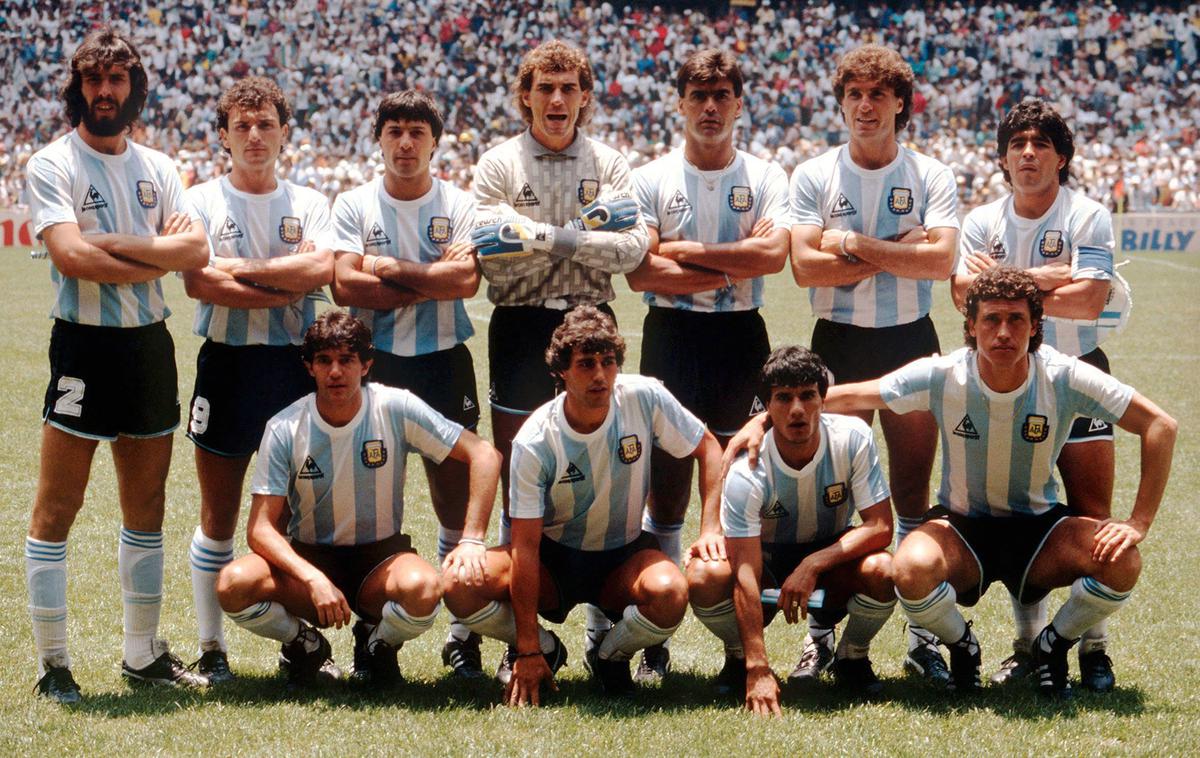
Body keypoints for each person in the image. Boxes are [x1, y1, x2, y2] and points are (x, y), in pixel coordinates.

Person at [833, 267, 1174, 696]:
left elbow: (1161, 425)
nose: (1003, 332)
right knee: (908, 567)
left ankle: (1052, 646)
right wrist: (763, 422)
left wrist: (1139, 521)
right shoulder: (943, 374)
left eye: (1016, 320)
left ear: (1035, 328)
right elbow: (848, 396)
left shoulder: (1063, 375)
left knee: (1123, 560)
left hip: (1039, 528)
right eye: (991, 319)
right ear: (971, 326)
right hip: (962, 528)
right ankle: (962, 645)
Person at [23, 28, 209, 703]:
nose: (106, 91)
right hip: (83, 346)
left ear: (135, 88)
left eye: (118, 79)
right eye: (95, 79)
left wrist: (117, 244)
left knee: (147, 505)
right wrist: (154, 252)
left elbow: (195, 256)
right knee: (58, 507)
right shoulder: (52, 163)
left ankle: (142, 657)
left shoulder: (160, 167)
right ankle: (52, 665)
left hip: (147, 346)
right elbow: (71, 258)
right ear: (78, 86)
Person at [470, 38, 649, 667]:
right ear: (525, 96)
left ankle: (606, 625)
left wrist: (536, 239)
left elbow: (632, 253)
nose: (556, 98)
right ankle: (502, 625)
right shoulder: (497, 164)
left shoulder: (611, 161)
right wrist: (578, 236)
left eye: (568, 87)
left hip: (593, 324)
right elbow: (491, 258)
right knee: (519, 463)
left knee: (606, 470)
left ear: (586, 97)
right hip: (519, 327)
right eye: (544, 87)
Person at [442, 307, 723, 704]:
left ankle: (610, 655)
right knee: (458, 584)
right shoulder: (536, 439)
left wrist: (710, 527)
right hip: (553, 562)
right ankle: (548, 649)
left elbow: (708, 447)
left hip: (623, 555)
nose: (600, 375)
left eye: (608, 363)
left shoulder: (644, 396)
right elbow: (524, 547)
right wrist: (527, 647)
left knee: (671, 592)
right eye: (586, 364)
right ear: (561, 371)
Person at [786, 44, 959, 685]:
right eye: (854, 94)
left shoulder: (930, 174)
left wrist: (854, 243)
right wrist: (899, 248)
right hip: (835, 342)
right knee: (830, 496)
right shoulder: (813, 175)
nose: (865, 105)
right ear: (841, 104)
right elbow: (805, 267)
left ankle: (920, 639)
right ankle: (821, 638)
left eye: (878, 94)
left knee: (913, 493)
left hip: (911, 338)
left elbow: (940, 263)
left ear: (899, 106)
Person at [216, 311, 502, 689]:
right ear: (309, 367)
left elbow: (485, 455)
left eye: (347, 360)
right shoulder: (285, 426)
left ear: (366, 364)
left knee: (424, 589)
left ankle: (378, 643)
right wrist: (312, 577)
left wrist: (471, 538)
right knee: (233, 584)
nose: (336, 371)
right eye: (324, 361)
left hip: (380, 560)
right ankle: (303, 644)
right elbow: (260, 529)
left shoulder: (395, 406)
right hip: (310, 558)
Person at [625, 48, 790, 682]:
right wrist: (731, 264)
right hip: (671, 335)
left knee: (743, 478)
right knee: (666, 483)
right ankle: (655, 636)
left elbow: (773, 255)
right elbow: (641, 268)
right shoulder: (650, 179)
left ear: (739, 103)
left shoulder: (766, 174)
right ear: (680, 104)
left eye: (722, 95)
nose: (711, 107)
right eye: (699, 96)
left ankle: (731, 640)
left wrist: (692, 257)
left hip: (742, 337)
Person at [951, 99, 1128, 691]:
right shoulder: (981, 221)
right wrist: (1052, 278)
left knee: (1092, 518)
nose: (1028, 153)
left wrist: (1006, 288)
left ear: (1062, 156)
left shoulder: (1088, 215)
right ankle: (1028, 646)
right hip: (1005, 378)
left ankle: (1090, 647)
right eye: (1017, 144)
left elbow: (1090, 300)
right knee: (1021, 509)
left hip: (1078, 374)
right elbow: (960, 296)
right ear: (1003, 158)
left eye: (1041, 143)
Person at [182, 76, 335, 684]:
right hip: (226, 364)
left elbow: (321, 267)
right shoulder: (199, 200)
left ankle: (301, 647)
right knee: (218, 513)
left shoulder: (310, 201)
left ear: (283, 132)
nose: (253, 135)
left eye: (265, 124)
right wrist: (285, 283)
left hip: (294, 368)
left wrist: (240, 271)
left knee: (300, 518)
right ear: (223, 136)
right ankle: (211, 649)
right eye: (241, 125)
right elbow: (198, 282)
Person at [330, 90, 485, 678]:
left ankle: (461, 635)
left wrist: (390, 268)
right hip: (378, 366)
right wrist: (432, 276)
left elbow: (467, 281)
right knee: (370, 501)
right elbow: (346, 286)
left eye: (417, 132)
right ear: (378, 138)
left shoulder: (460, 202)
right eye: (394, 130)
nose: (405, 143)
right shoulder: (353, 204)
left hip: (444, 359)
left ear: (434, 142)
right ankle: (373, 638)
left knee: (452, 499)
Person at [688, 346, 895, 716]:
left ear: (823, 399)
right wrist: (758, 666)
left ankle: (852, 656)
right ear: (766, 408)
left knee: (882, 569)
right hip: (765, 557)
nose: (797, 409)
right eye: (783, 398)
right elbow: (746, 571)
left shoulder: (853, 437)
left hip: (830, 555)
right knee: (705, 576)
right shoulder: (747, 469)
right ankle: (738, 658)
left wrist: (814, 563)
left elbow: (880, 526)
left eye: (807, 396)